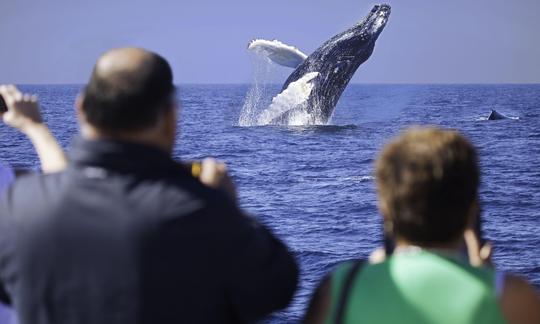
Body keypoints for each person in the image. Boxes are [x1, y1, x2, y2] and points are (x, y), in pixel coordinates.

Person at [0, 48, 298, 324]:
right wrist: (226, 206)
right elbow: (277, 286)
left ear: (81, 109)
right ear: (170, 119)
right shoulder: (198, 213)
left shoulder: (16, 208)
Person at [303, 127, 540, 324]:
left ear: (384, 209)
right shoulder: (511, 296)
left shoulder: (340, 288)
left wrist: (376, 271)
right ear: (472, 210)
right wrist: (485, 278)